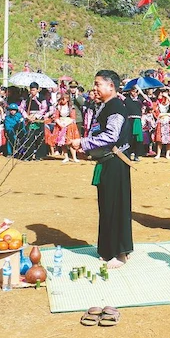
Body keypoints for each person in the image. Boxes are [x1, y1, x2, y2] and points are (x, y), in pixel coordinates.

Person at [69, 70, 134, 269]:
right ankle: (108, 249)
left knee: (116, 206)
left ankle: (120, 252)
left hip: (116, 162)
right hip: (106, 161)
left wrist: (84, 142)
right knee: (106, 206)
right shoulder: (105, 106)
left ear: (111, 86)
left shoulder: (115, 106)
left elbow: (111, 136)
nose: (95, 88)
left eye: (98, 84)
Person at [20, 82, 48, 160]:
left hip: (38, 119)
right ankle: (29, 155)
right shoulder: (26, 98)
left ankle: (40, 155)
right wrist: (27, 116)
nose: (32, 92)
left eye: (34, 90)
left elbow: (44, 108)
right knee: (30, 136)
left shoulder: (41, 98)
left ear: (37, 90)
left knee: (40, 136)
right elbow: (21, 108)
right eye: (31, 90)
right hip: (30, 118)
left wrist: (35, 116)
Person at [51, 93, 81, 163]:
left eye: (63, 99)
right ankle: (66, 157)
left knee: (70, 141)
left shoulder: (71, 107)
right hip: (61, 125)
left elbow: (73, 117)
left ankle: (74, 157)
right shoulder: (58, 107)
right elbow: (56, 117)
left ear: (67, 99)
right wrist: (60, 124)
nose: (61, 101)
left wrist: (66, 124)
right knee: (63, 142)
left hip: (69, 125)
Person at [153, 89, 170, 159]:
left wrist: (167, 97)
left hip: (168, 122)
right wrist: (166, 114)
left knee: (169, 139)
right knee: (159, 139)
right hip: (161, 121)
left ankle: (167, 154)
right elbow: (157, 113)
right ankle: (158, 154)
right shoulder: (158, 103)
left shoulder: (169, 103)